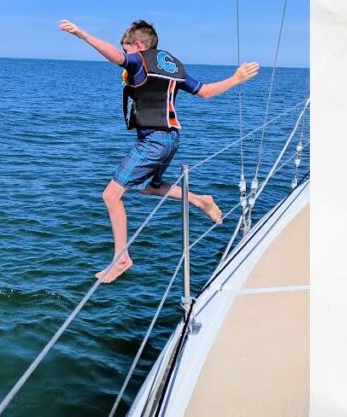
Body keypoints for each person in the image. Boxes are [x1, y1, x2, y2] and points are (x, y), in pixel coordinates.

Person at [60, 19, 259, 283]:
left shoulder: (137, 60)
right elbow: (205, 92)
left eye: (128, 48)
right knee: (150, 187)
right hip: (171, 139)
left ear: (139, 45)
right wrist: (235, 78)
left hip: (153, 140)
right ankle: (200, 200)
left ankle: (121, 258)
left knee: (111, 196)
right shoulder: (172, 68)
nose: (127, 54)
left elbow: (115, 56)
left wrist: (83, 35)